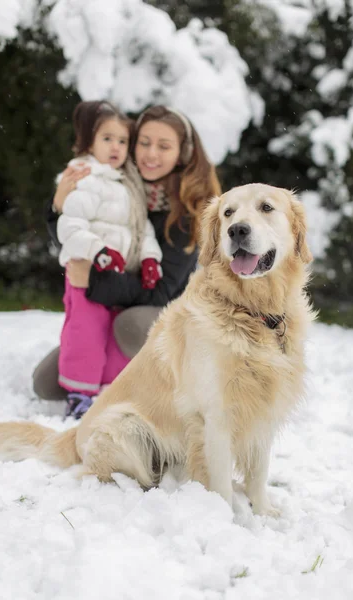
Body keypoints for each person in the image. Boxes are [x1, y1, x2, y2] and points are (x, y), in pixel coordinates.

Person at [33, 105, 222, 411]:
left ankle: (163, 383)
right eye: (144, 142)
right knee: (46, 383)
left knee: (131, 324)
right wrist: (57, 209)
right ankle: (102, 361)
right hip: (111, 304)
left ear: (182, 154)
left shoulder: (188, 213)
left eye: (164, 146)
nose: (150, 154)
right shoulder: (119, 187)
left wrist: (94, 280)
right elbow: (78, 235)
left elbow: (160, 293)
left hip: (160, 316)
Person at [54, 100, 163, 418]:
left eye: (122, 141)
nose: (115, 147)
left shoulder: (128, 184)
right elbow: (70, 225)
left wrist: (149, 260)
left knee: (115, 338)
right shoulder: (84, 176)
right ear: (90, 141)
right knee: (86, 334)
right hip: (87, 273)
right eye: (107, 139)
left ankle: (110, 391)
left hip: (119, 278)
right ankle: (79, 392)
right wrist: (97, 251)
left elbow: (142, 231)